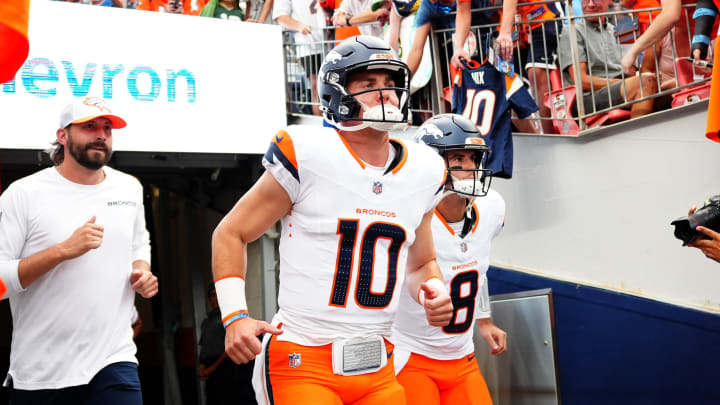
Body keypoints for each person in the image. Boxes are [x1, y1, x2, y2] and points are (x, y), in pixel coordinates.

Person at [211, 35, 454, 405]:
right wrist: (234, 316)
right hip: (303, 359)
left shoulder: (424, 169)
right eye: (368, 84)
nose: (384, 93)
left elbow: (422, 263)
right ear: (336, 94)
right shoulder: (309, 152)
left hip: (379, 363)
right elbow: (231, 232)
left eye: (389, 83)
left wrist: (433, 288)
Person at [0, 96, 158, 404]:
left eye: (107, 127)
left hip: (114, 358)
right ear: (62, 135)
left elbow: (139, 242)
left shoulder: (129, 188)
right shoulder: (24, 194)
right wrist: (62, 251)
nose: (101, 134)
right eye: (89, 127)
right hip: (42, 371)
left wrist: (143, 270)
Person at [392, 113, 507, 405]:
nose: (469, 169)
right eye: (458, 158)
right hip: (411, 355)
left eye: (473, 159)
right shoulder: (407, 214)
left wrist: (483, 321)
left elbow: (476, 269)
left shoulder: (493, 207)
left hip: (461, 355)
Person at [557, 0, 660, 118]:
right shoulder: (572, 32)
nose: (590, 4)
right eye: (585, 0)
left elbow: (632, 71)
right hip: (587, 98)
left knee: (672, 85)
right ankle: (641, 134)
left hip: (622, 89)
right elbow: (581, 81)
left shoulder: (621, 29)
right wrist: (622, 83)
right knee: (645, 83)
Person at [198, 283, 256, 405]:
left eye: (218, 295)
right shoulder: (206, 322)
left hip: (225, 369)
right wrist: (202, 367)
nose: (216, 299)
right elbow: (204, 347)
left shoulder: (229, 320)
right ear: (209, 298)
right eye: (213, 295)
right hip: (209, 371)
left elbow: (228, 349)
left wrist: (211, 369)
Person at [273, 0, 331, 116]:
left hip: (331, 42)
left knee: (334, 86)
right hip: (308, 44)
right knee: (318, 87)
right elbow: (280, 16)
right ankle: (322, 124)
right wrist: (299, 26)